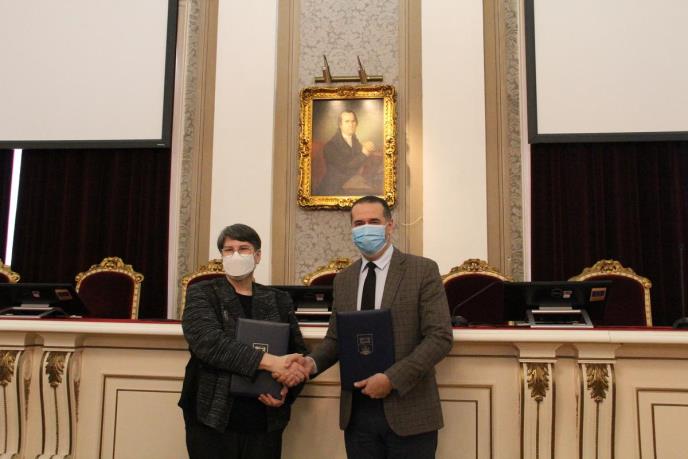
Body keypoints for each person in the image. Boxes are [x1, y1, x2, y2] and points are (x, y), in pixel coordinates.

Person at [290, 196, 453, 458]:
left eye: (374, 221)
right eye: (359, 223)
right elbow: (336, 339)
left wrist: (391, 379)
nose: (366, 228)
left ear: (390, 225)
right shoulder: (344, 279)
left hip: (409, 409)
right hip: (358, 414)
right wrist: (310, 364)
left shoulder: (422, 270)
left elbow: (439, 337)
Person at [179, 224, 309, 459]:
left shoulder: (279, 299)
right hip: (212, 416)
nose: (236, 255)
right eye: (229, 250)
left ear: (257, 256)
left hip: (265, 419)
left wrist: (288, 387)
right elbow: (209, 344)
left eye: (244, 249)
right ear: (221, 256)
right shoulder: (202, 293)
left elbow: (297, 352)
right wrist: (272, 362)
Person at [316, 110, 379, 195]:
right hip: (333, 189)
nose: (351, 125)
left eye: (353, 121)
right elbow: (346, 166)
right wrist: (364, 153)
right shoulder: (330, 146)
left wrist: (367, 147)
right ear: (340, 125)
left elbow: (358, 156)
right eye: (347, 121)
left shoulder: (354, 140)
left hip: (351, 183)